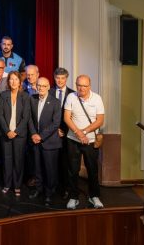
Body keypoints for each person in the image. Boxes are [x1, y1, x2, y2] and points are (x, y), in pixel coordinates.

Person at [64, 75, 105, 210]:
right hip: (73, 140)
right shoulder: (71, 97)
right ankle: (73, 197)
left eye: (84, 86)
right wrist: (79, 133)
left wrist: (85, 132)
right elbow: (67, 118)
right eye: (79, 85)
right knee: (72, 170)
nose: (81, 88)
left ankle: (94, 196)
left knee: (92, 170)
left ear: (89, 86)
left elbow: (99, 120)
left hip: (90, 141)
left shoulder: (97, 98)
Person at [0, 72, 32, 197]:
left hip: (20, 134)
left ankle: (17, 185)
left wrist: (16, 132)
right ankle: (7, 184)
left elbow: (26, 117)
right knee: (7, 160)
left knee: (18, 160)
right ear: (8, 82)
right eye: (11, 79)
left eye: (16, 79)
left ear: (20, 82)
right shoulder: (3, 95)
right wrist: (7, 131)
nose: (13, 82)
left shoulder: (25, 96)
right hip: (6, 134)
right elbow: (0, 115)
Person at [28, 77, 62, 204]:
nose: (41, 88)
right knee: (37, 168)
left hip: (50, 142)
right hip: (35, 141)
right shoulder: (33, 99)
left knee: (50, 170)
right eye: (39, 85)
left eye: (44, 86)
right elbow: (30, 119)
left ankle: (49, 193)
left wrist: (41, 136)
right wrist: (33, 134)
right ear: (36, 87)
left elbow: (55, 123)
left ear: (48, 87)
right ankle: (38, 189)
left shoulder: (55, 102)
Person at [51, 67, 76, 199]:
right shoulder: (49, 92)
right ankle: (52, 187)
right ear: (54, 78)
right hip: (51, 134)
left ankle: (66, 188)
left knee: (66, 163)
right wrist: (54, 129)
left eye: (62, 78)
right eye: (57, 78)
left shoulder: (73, 94)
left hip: (67, 135)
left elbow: (74, 116)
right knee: (52, 163)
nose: (60, 81)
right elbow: (45, 115)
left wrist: (64, 130)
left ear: (66, 79)